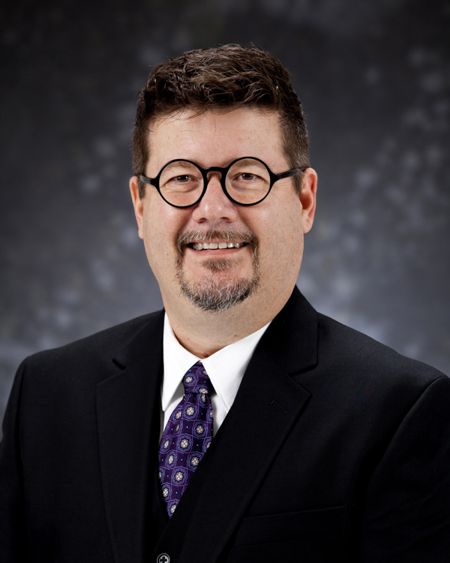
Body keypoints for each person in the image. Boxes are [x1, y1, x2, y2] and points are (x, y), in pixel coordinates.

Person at [0, 44, 449, 563]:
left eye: (247, 176)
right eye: (182, 178)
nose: (213, 210)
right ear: (140, 206)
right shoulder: (48, 396)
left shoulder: (401, 413)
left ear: (305, 200)